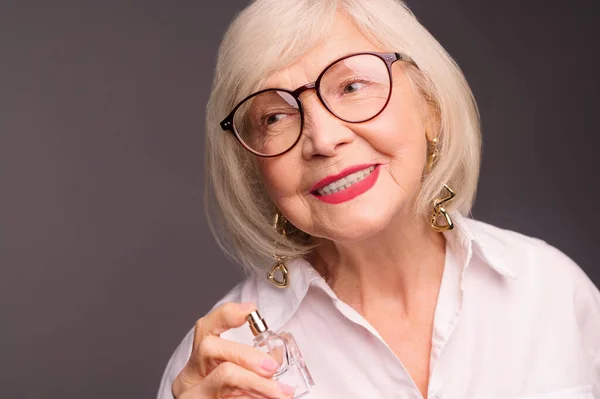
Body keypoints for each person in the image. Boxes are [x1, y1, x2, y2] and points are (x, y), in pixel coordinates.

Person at [157, 0, 600, 398]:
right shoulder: (221, 366)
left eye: (351, 87)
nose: (324, 139)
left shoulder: (552, 290)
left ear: (431, 107)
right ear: (254, 166)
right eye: (274, 116)